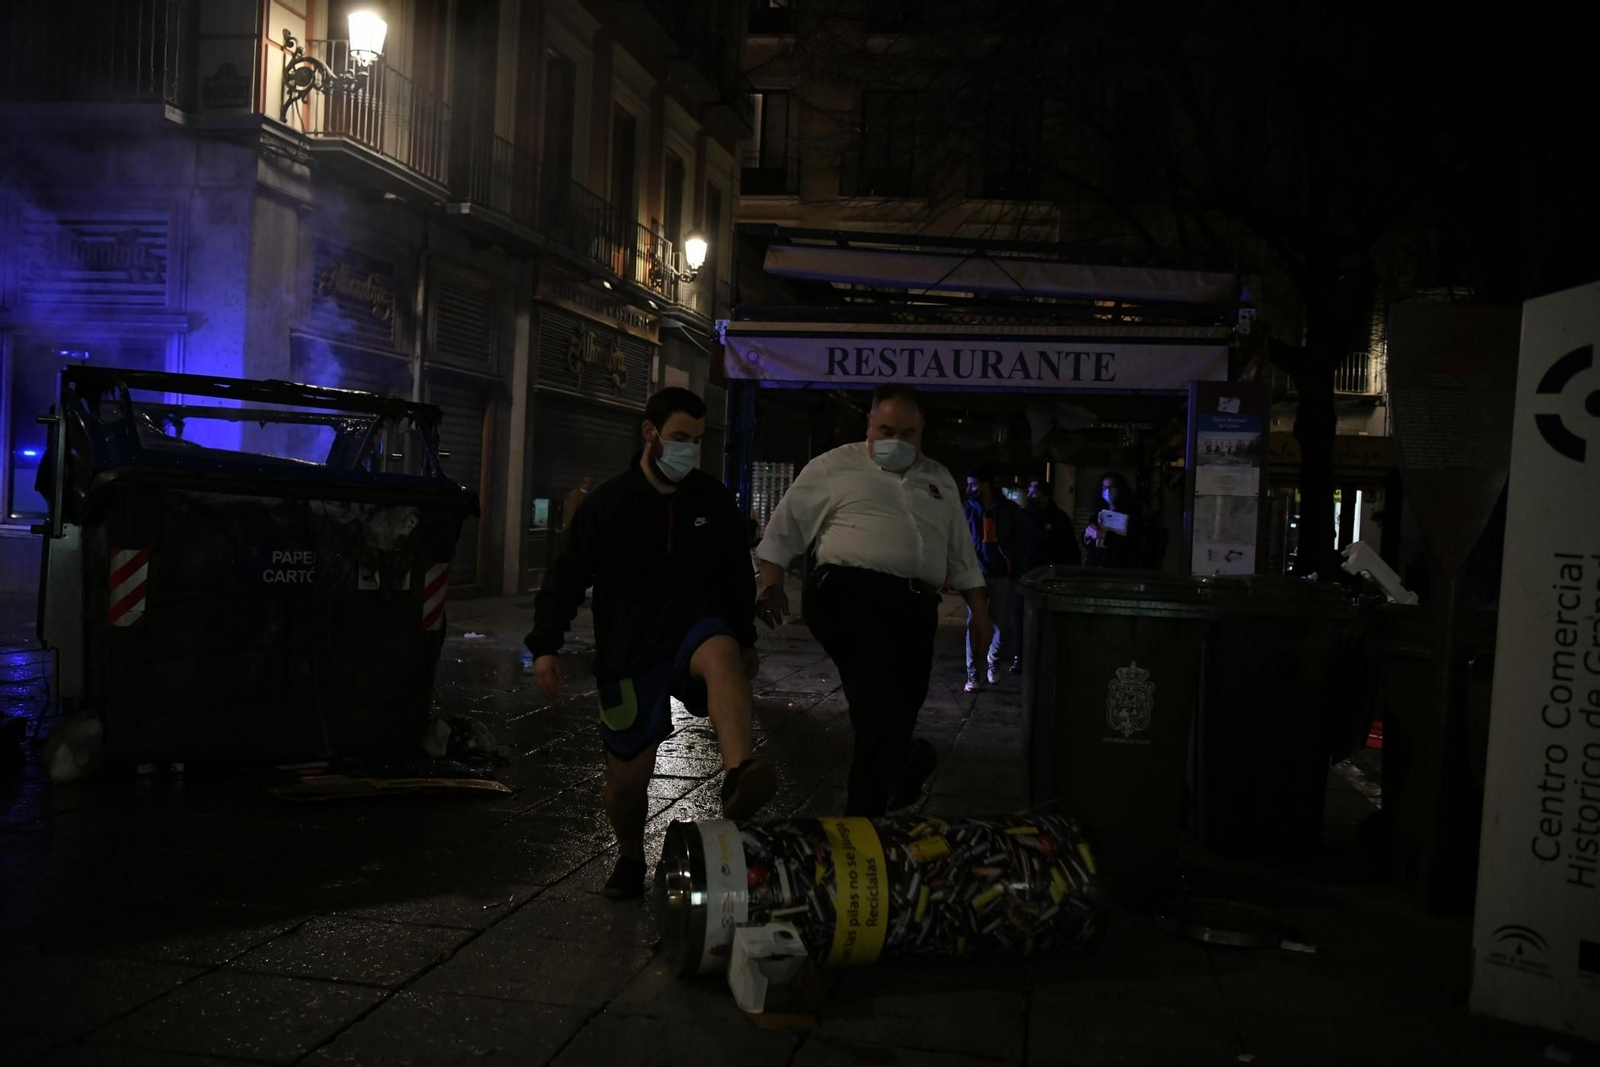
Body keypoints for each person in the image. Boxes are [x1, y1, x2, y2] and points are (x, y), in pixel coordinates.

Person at [525, 388, 776, 900]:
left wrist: (744, 636)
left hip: (693, 632)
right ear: (651, 433)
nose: (689, 449)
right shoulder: (607, 506)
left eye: (698, 441)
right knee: (625, 783)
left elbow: (733, 574)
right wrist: (546, 645)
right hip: (629, 650)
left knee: (723, 651)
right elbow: (566, 576)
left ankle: (738, 776)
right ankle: (630, 854)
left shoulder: (712, 501)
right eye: (680, 438)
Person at [753, 384, 992, 817]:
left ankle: (887, 783)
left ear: (922, 433)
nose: (896, 442)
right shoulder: (833, 466)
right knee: (878, 694)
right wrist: (770, 582)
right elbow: (786, 526)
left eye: (908, 433)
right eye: (886, 429)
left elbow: (960, 552)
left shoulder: (938, 479)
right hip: (848, 594)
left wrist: (980, 610)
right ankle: (867, 809)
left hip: (915, 606)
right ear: (868, 426)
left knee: (902, 702)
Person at [962, 465, 1025, 692]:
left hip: (1001, 574)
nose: (970, 488)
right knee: (974, 624)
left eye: (973, 484)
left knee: (1001, 625)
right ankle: (973, 673)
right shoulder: (968, 509)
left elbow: (1020, 539)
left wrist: (1013, 564)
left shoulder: (1008, 509)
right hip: (975, 575)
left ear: (986, 484)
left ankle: (993, 660)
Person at [1007, 478, 1081, 673]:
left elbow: (1070, 551)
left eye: (1035, 492)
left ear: (1045, 495)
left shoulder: (1058, 519)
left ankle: (1044, 659)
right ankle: (1019, 658)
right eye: (1029, 492)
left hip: (1048, 580)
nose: (1031, 496)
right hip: (1023, 576)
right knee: (1019, 619)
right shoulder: (1022, 516)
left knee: (1045, 621)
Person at [1083, 471, 1142, 569]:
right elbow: (1089, 545)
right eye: (1104, 487)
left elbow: (1132, 545)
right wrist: (1088, 534)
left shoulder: (1131, 516)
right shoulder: (1098, 513)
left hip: (1118, 571)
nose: (1108, 491)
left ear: (1120, 489)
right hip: (1094, 569)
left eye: (1112, 487)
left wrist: (1105, 536)